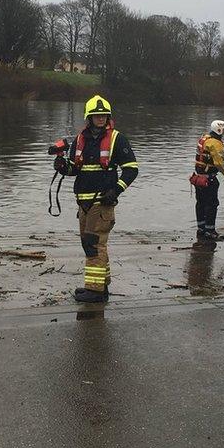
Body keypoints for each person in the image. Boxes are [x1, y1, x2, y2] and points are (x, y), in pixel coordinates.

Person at [54, 95, 138, 303]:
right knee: (92, 244)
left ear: (108, 117)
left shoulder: (118, 139)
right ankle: (101, 286)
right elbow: (76, 168)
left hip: (102, 202)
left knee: (94, 245)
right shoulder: (80, 140)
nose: (100, 119)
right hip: (83, 202)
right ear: (89, 117)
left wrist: (116, 190)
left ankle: (95, 291)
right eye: (96, 115)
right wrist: (63, 166)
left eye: (103, 115)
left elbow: (131, 170)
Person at [193, 120, 224, 241]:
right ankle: (210, 231)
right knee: (212, 204)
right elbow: (218, 163)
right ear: (219, 130)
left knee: (201, 203)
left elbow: (207, 155)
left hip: (198, 178)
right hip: (209, 180)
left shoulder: (205, 138)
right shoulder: (216, 143)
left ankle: (201, 228)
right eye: (223, 130)